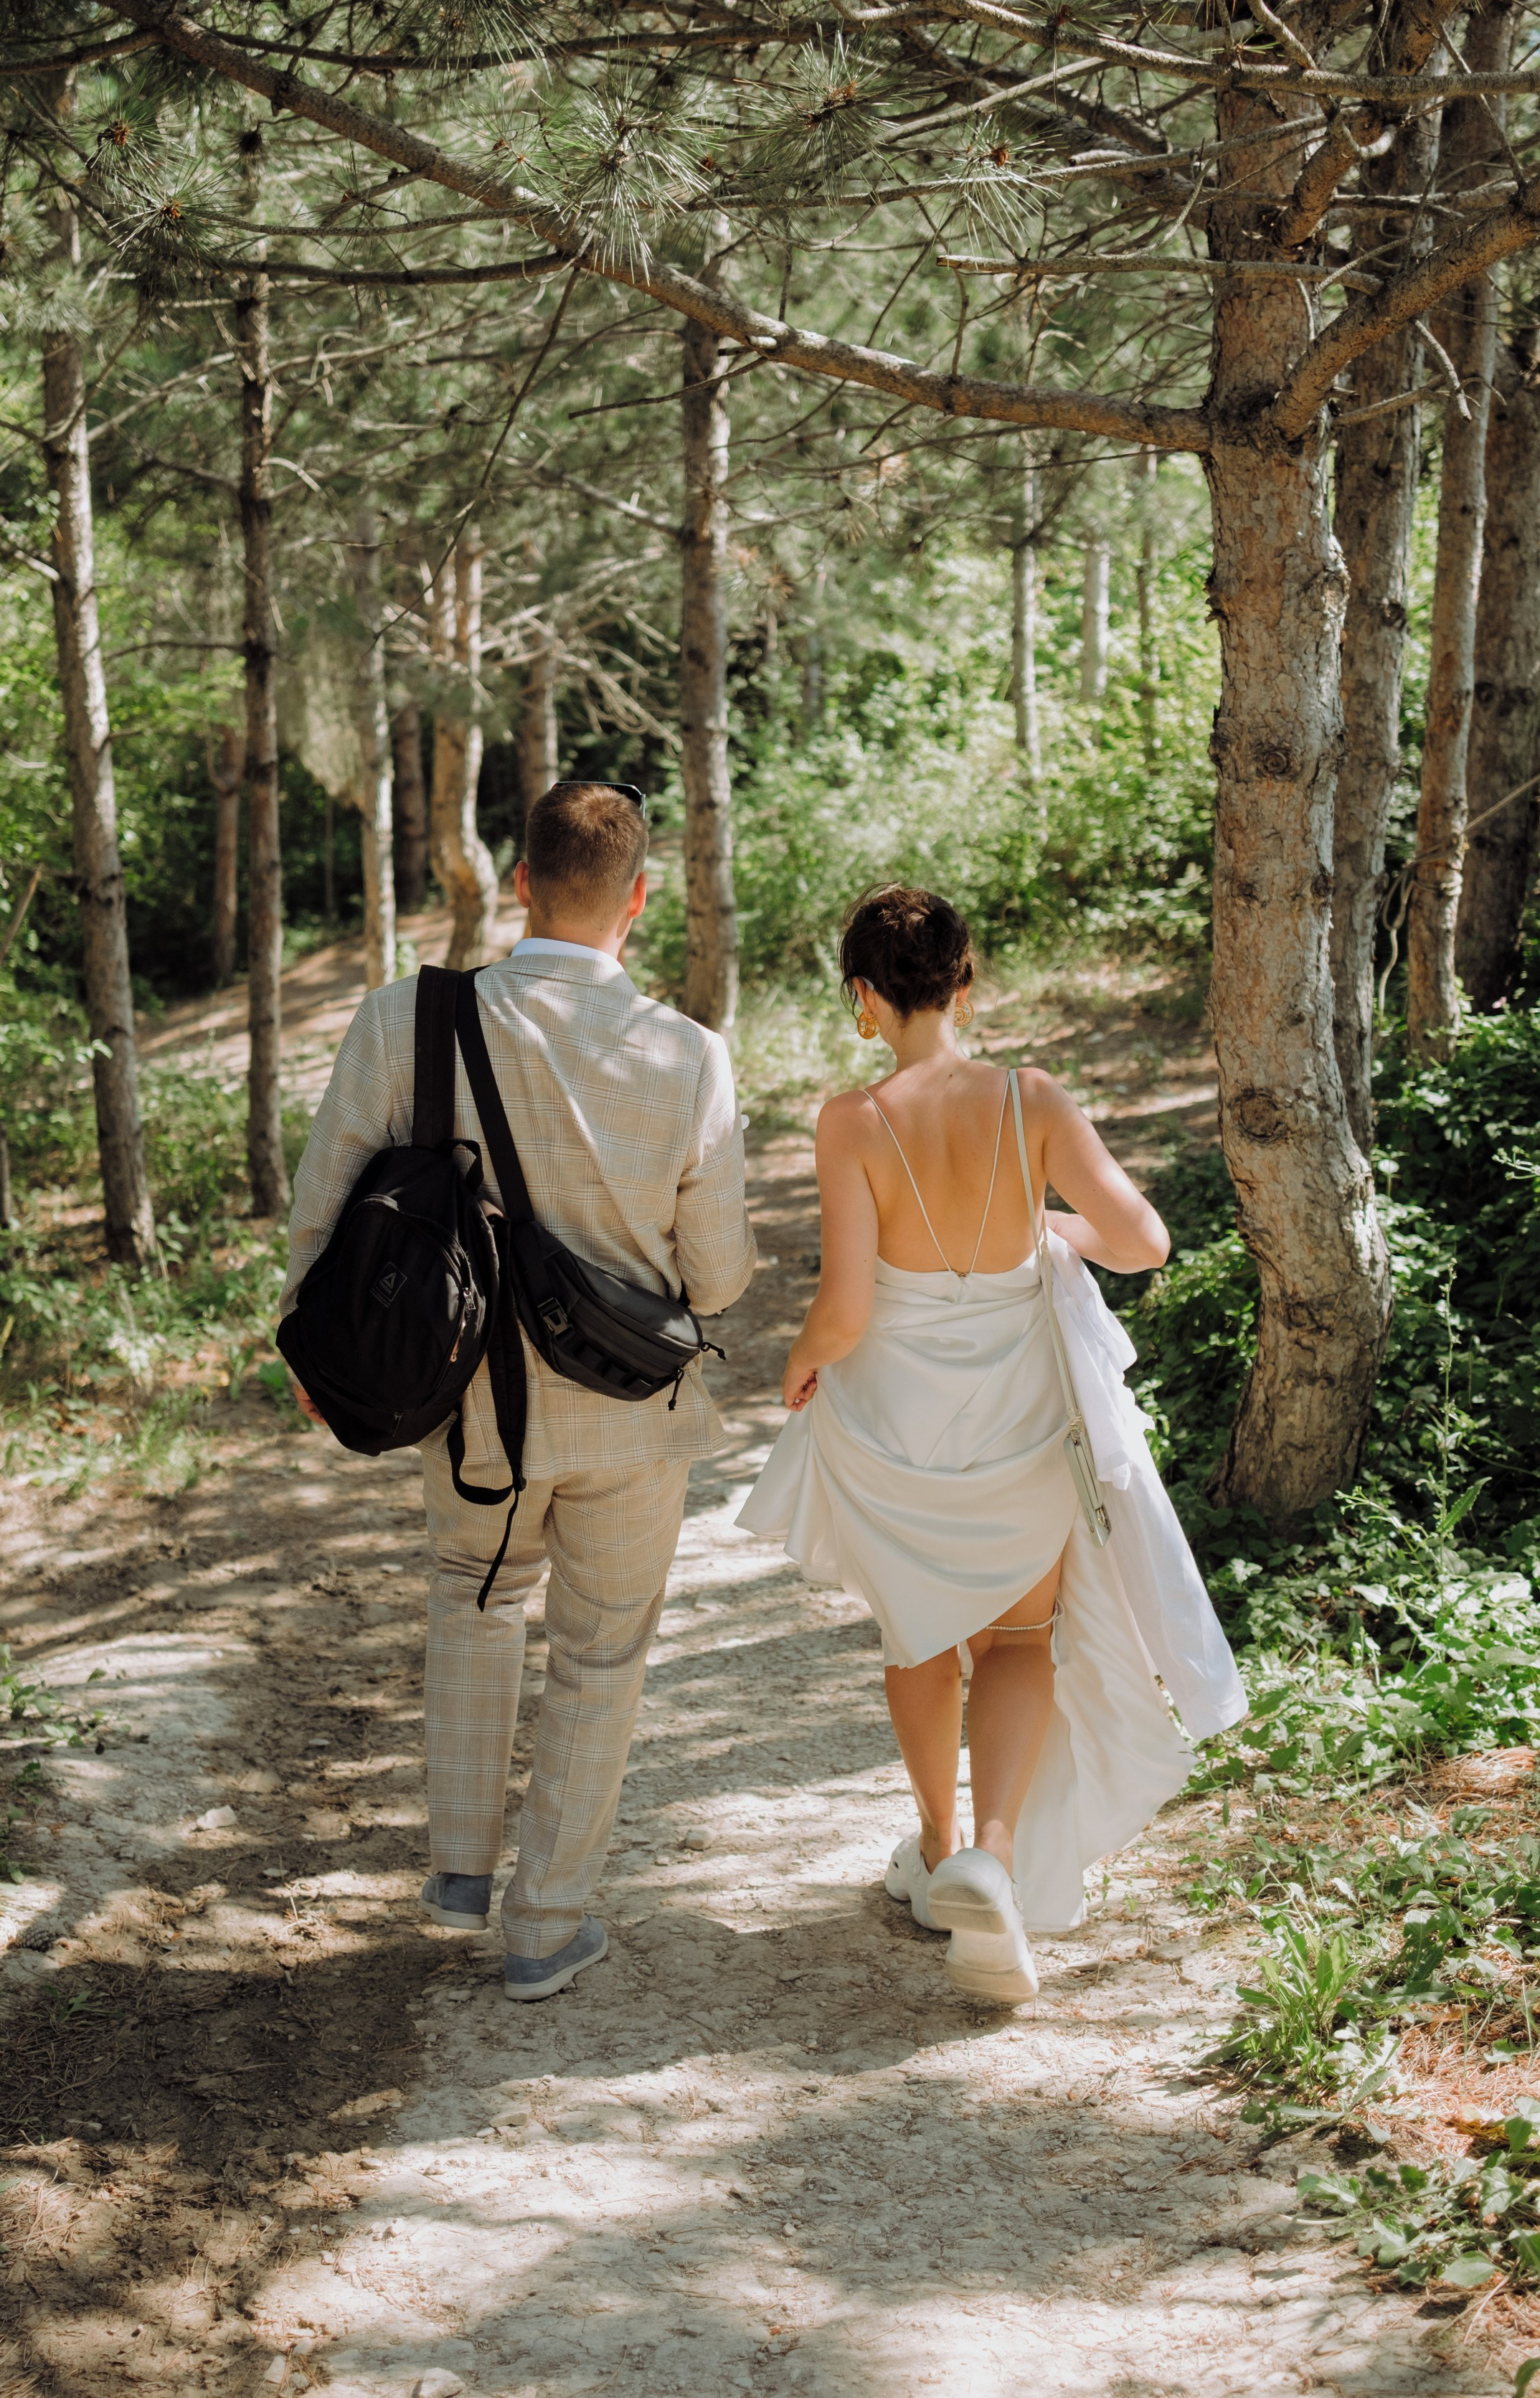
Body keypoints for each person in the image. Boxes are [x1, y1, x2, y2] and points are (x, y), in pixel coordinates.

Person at [280, 780, 757, 2003]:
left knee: (471, 1597)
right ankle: (545, 1922)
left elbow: (326, 1206)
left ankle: (456, 1871)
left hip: (468, 1403)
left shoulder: (407, 1019)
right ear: (637, 900)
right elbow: (722, 1275)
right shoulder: (687, 1052)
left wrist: (312, 1351)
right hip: (631, 1417)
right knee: (601, 1657)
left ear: (520, 885)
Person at [738, 884, 1243, 2005]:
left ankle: (933, 1845)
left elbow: (849, 1309)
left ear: (863, 998)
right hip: (1019, 1416)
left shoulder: (851, 1121)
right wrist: (1052, 1226)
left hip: (900, 1424)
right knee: (1020, 1640)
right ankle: (996, 1860)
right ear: (969, 979)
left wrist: (798, 1363)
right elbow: (1142, 1240)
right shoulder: (1034, 1098)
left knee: (918, 1634)